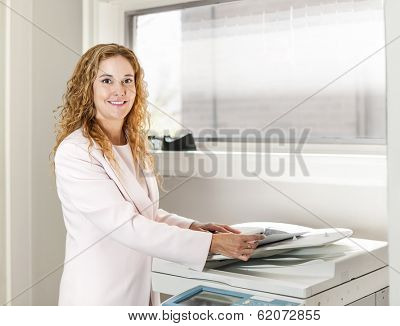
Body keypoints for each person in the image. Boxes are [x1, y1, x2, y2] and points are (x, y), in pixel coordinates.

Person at [51, 43, 264, 306]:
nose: (120, 90)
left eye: (127, 80)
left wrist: (194, 227)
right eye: (107, 80)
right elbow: (126, 225)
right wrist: (212, 244)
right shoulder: (76, 152)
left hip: (140, 292)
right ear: (89, 88)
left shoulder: (133, 142)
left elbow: (145, 212)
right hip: (97, 298)